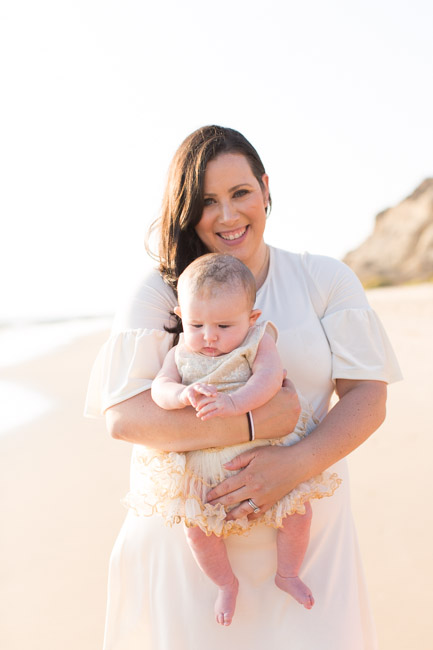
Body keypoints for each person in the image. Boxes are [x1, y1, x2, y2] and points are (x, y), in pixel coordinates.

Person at [85, 125, 402, 650]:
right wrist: (256, 420)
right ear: (186, 209)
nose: (228, 216)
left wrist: (294, 465)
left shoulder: (323, 279)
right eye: (207, 201)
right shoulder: (164, 290)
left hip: (307, 544)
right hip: (191, 552)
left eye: (240, 194)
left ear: (266, 189)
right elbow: (124, 417)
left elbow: (369, 396)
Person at [127, 252, 341, 625]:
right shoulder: (180, 353)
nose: (209, 337)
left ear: (251, 319)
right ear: (181, 316)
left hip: (264, 451)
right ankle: (225, 584)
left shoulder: (258, 342)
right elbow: (160, 388)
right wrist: (181, 396)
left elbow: (269, 378)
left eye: (225, 326)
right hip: (205, 464)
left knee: (297, 514)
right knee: (198, 529)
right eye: (197, 324)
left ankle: (287, 573)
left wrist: (235, 403)